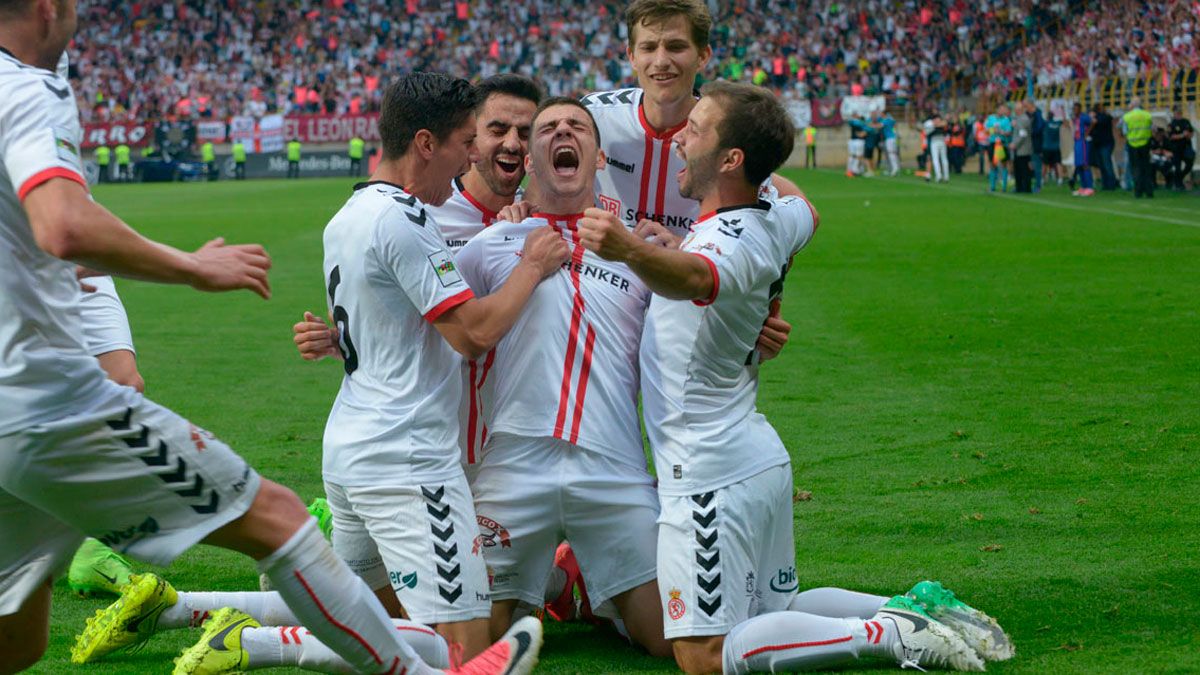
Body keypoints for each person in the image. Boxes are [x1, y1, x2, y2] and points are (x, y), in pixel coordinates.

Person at [0, 4, 542, 674]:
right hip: (402, 451)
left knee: (18, 641)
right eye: (468, 141)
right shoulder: (28, 85)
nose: (473, 157)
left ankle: (182, 609)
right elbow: (472, 333)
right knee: (317, 546)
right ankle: (282, 649)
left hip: (354, 439)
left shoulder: (352, 210)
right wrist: (534, 262)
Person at [576, 81, 1008, 675]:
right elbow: (808, 205)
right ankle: (915, 608)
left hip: (707, 472)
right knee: (773, 607)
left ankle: (888, 634)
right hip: (753, 458)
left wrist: (630, 248)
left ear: (730, 160)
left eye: (695, 130)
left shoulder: (733, 241)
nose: (678, 138)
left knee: (701, 656)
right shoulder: (771, 217)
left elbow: (699, 278)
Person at [456, 97, 671, 657]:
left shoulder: (640, 253)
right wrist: (346, 339)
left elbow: (698, 336)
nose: (561, 134)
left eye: (577, 127)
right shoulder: (489, 247)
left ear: (598, 157)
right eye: (547, 129)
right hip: (514, 463)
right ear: (530, 160)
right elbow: (438, 325)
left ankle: (581, 586)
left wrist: (757, 338)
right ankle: (557, 583)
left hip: (613, 462)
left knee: (672, 641)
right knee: (471, 646)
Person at [1122, 97, 1154, 198]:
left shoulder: (1127, 116)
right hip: (1145, 143)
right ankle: (1149, 191)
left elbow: (1124, 131)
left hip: (1132, 144)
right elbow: (1153, 128)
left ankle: (1138, 191)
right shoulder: (1147, 115)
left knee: (1136, 168)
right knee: (1146, 168)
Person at [984, 105, 1012, 192]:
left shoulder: (1006, 119)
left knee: (1004, 164)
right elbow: (986, 131)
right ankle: (992, 186)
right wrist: (993, 130)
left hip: (1002, 143)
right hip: (992, 143)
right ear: (997, 110)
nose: (1002, 111)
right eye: (1001, 109)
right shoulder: (991, 118)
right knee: (992, 164)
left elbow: (1009, 132)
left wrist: (1001, 131)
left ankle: (1004, 186)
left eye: (1003, 109)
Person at [1167, 107, 1195, 190]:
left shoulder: (1186, 122)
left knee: (1189, 164)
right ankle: (1178, 184)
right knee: (1177, 167)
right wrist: (1182, 135)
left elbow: (1191, 132)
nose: (1178, 113)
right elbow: (1171, 136)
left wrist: (1188, 135)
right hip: (1176, 149)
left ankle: (1180, 178)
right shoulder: (1172, 124)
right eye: (1176, 112)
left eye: (1179, 112)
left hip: (1186, 147)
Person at [1070, 102, 1094, 196]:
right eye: (1074, 109)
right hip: (1077, 141)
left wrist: (1087, 132)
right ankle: (1083, 187)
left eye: (1076, 109)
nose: (1074, 110)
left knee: (1085, 164)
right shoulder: (1075, 118)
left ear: (1080, 109)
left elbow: (1093, 122)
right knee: (1079, 165)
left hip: (1083, 142)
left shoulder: (1084, 117)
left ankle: (1089, 187)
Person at [1090, 104, 1116, 190]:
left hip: (1106, 143)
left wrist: (1093, 118)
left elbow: (1099, 121)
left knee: (1106, 164)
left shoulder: (1105, 117)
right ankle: (1105, 184)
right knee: (1102, 165)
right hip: (1099, 144)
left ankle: (1111, 183)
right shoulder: (1102, 117)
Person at [1011, 103, 1033, 193]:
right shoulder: (1019, 119)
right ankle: (1020, 186)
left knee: (1023, 169)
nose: (1015, 111)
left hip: (1023, 149)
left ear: (1019, 110)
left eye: (1016, 109)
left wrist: (1014, 144)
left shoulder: (1023, 119)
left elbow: (1022, 134)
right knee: (1019, 169)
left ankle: (1024, 187)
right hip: (1020, 149)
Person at [924, 108, 948, 183]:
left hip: (939, 140)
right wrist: (939, 123)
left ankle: (941, 176)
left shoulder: (931, 122)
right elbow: (929, 129)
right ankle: (942, 176)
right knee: (939, 159)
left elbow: (944, 123)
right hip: (934, 140)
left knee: (939, 159)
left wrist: (939, 123)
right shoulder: (929, 123)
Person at [1042, 109, 1063, 186]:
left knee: (1044, 164)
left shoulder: (1046, 123)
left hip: (1047, 147)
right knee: (1058, 163)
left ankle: (1042, 179)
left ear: (1048, 117)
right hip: (1056, 147)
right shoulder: (1057, 123)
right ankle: (1060, 179)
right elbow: (1064, 121)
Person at [880, 110, 899, 176]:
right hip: (893, 138)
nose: (880, 115)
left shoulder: (886, 120)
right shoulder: (891, 119)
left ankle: (894, 168)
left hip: (889, 139)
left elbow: (879, 126)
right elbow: (895, 124)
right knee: (893, 153)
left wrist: (870, 125)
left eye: (881, 114)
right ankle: (894, 168)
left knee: (891, 153)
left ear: (884, 114)